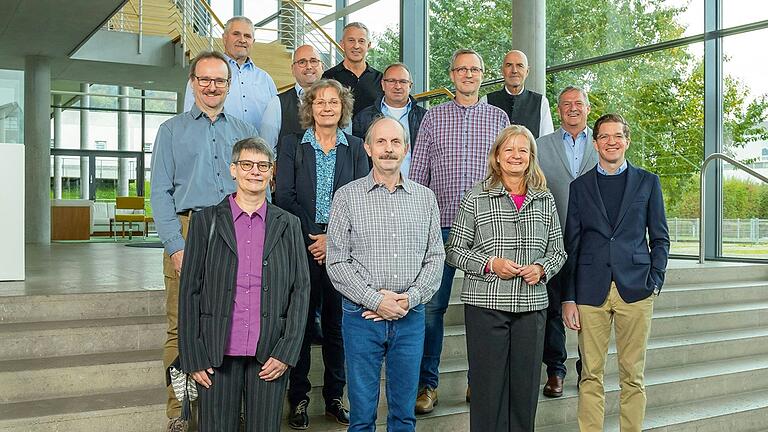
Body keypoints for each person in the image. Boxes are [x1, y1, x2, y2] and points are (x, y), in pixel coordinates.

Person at [150, 50, 258, 432]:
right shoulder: (171, 130)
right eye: (205, 79)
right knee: (181, 327)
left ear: (229, 86)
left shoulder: (245, 132)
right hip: (188, 230)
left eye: (220, 80)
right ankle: (179, 411)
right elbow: (160, 193)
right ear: (193, 82)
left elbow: (259, 187)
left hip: (235, 230)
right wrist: (174, 246)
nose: (212, 86)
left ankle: (231, 406)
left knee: (234, 321)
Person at [178, 137, 309, 432]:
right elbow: (189, 291)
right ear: (233, 170)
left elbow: (301, 290)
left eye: (263, 165)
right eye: (247, 164)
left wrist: (286, 351)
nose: (255, 171)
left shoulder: (288, 224)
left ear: (271, 172)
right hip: (215, 352)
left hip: (270, 352)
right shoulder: (205, 221)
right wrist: (193, 355)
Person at [326, 116, 444, 432]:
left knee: (404, 416)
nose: (388, 149)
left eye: (395, 142)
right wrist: (376, 300)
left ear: (406, 149)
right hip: (361, 318)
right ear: (367, 147)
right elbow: (336, 262)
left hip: (410, 317)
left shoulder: (425, 198)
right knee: (362, 417)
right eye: (381, 142)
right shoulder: (347, 196)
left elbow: (435, 259)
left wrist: (410, 298)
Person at [445, 125, 566, 432]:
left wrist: (541, 268)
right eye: (508, 150)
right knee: (488, 391)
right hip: (486, 306)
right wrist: (489, 263)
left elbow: (558, 251)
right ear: (497, 157)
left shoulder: (544, 198)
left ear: (531, 157)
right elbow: (454, 250)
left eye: (522, 150)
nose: (516, 156)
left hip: (532, 306)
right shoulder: (476, 197)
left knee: (525, 391)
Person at [409, 48, 509, 413]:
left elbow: (510, 173)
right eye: (461, 69)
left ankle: (476, 382)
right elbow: (418, 173)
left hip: (488, 231)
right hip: (441, 226)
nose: (468, 75)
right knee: (433, 308)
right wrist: (418, 223)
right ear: (451, 75)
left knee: (484, 309)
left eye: (475, 69)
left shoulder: (498, 118)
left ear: (483, 75)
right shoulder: (433, 118)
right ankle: (427, 386)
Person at [562, 113, 670, 432]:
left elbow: (660, 237)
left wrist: (656, 280)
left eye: (618, 135)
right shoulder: (579, 187)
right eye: (605, 136)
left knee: (632, 376)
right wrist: (568, 297)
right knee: (590, 374)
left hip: (636, 289)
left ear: (627, 140)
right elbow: (572, 244)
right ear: (595, 143)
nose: (612, 141)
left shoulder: (648, 182)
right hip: (590, 290)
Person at [275, 78, 369, 430]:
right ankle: (298, 398)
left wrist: (333, 239)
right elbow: (284, 197)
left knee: (337, 326)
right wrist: (315, 237)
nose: (326, 107)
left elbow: (362, 197)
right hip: (301, 248)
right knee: (298, 324)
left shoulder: (357, 148)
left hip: (344, 251)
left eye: (333, 101)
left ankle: (334, 397)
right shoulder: (291, 145)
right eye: (319, 102)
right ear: (309, 108)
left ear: (343, 108)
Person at [536, 85, 599, 397]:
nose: (572, 108)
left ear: (587, 108)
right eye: (566, 104)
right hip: (553, 241)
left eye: (578, 103)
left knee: (590, 308)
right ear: (558, 110)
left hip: (593, 243)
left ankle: (587, 369)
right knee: (553, 309)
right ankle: (555, 370)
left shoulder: (602, 145)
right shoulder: (540, 145)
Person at [183, 16, 277, 131]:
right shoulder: (202, 76)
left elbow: (276, 120)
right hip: (215, 146)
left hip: (256, 147)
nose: (242, 40)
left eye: (247, 36)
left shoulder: (266, 80)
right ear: (224, 38)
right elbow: (189, 118)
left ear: (253, 41)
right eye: (236, 34)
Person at [352, 63, 427, 177]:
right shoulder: (363, 118)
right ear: (383, 84)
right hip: (375, 189)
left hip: (415, 188)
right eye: (391, 81)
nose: (397, 86)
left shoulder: (425, 118)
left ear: (410, 86)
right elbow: (358, 159)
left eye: (403, 81)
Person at [261, 45, 325, 154]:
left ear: (322, 67)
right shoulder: (277, 104)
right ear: (293, 69)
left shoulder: (337, 101)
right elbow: (267, 150)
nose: (309, 66)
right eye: (302, 62)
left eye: (314, 61)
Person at [483, 50, 554, 138]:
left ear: (527, 71)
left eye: (520, 65)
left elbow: (546, 142)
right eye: (509, 65)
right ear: (502, 71)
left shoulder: (541, 103)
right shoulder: (486, 101)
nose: (514, 70)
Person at [322, 22, 383, 116]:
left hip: (373, 130)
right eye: (351, 40)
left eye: (361, 41)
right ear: (342, 44)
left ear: (369, 45)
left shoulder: (380, 79)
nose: (356, 46)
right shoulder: (328, 77)